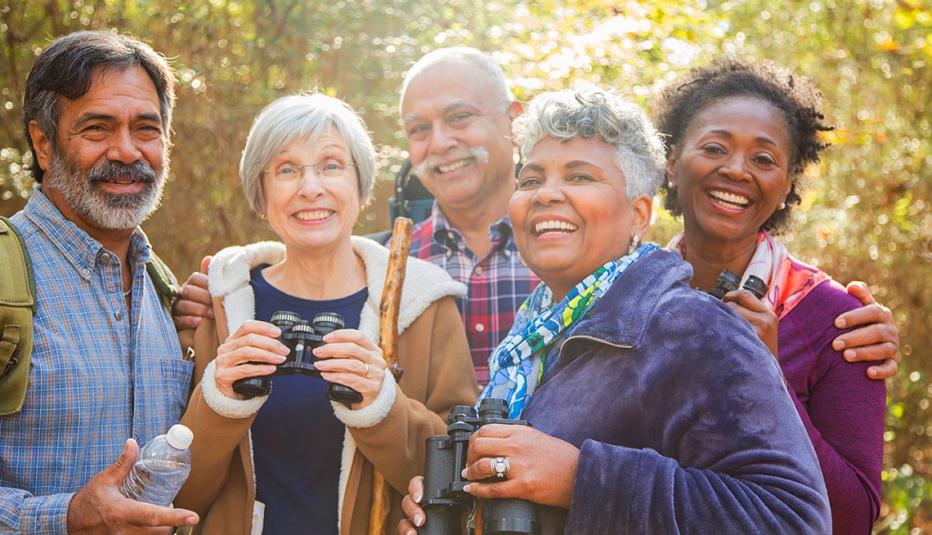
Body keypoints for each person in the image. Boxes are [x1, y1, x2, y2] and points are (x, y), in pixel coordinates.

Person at [173, 47, 899, 386]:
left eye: (460, 117)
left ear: (511, 119)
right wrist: (219, 291)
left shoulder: (592, 252)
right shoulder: (385, 266)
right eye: (418, 128)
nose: (440, 143)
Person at [398, 88, 832, 534]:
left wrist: (579, 477)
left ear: (639, 214)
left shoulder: (690, 329)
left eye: (580, 177)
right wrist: (461, 511)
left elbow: (791, 518)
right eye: (530, 180)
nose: (546, 194)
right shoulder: (531, 343)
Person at [172, 94, 478, 534]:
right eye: (286, 170)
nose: (310, 187)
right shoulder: (221, 304)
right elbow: (182, 498)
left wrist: (384, 407)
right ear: (260, 193)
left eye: (331, 166)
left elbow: (458, 477)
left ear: (361, 185)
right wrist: (218, 403)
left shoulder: (424, 302)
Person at [655, 58, 885, 532]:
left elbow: (853, 518)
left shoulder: (839, 322)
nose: (736, 170)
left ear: (786, 185)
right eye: (715, 147)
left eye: (763, 159)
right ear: (673, 162)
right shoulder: (625, 294)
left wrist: (766, 376)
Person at [0, 32, 198, 533]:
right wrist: (65, 517)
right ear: (43, 143)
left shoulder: (161, 288)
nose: (127, 151)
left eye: (146, 129)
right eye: (96, 128)